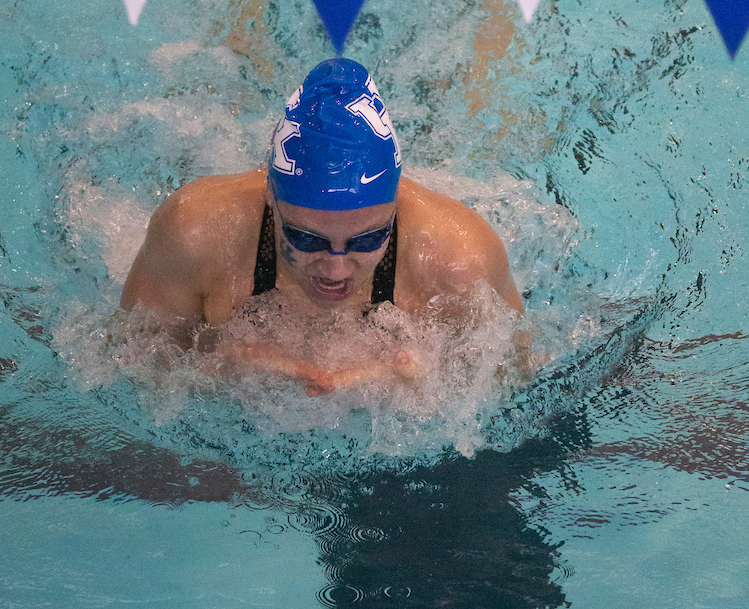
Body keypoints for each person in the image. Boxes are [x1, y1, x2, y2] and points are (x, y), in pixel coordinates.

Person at [121, 59, 524, 395]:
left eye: (367, 239)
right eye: (305, 237)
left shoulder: (459, 260)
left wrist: (424, 385)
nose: (336, 269)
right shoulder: (197, 233)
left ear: (395, 205)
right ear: (269, 198)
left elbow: (519, 374)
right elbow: (128, 362)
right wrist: (219, 366)